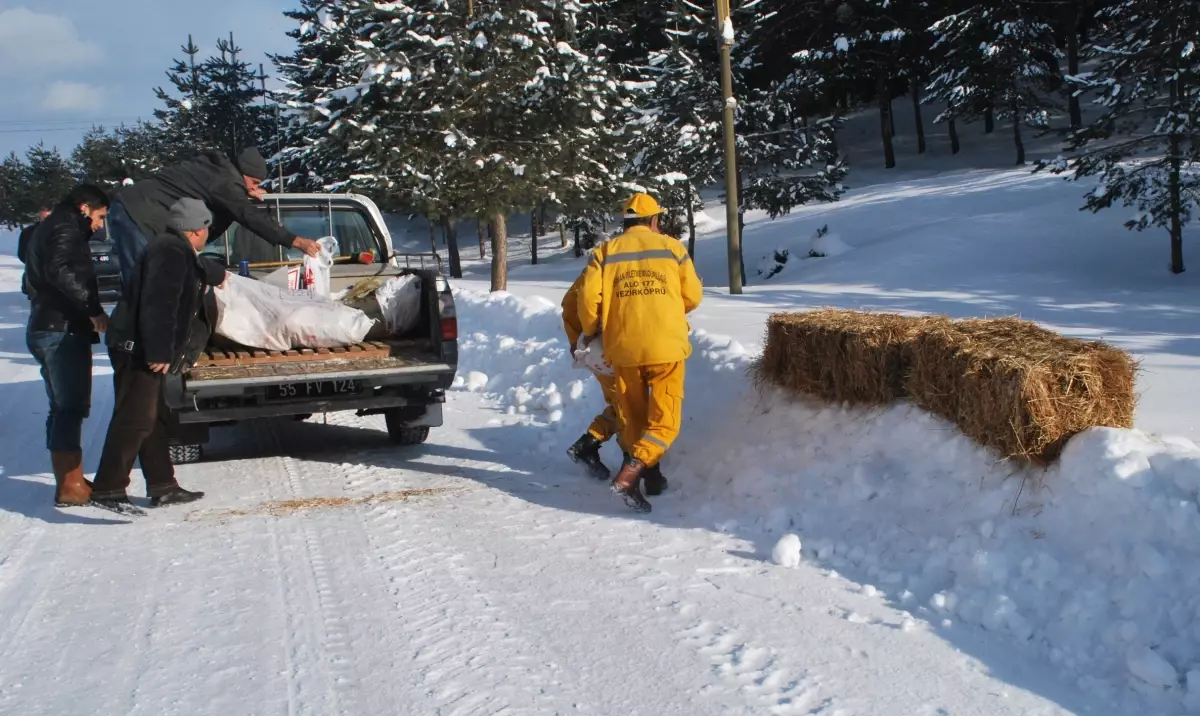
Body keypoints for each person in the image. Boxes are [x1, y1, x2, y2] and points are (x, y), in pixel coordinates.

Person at [89, 199, 226, 514]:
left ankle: (163, 485)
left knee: (154, 417)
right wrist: (160, 350)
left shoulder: (174, 249)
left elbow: (198, 269)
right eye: (207, 228)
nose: (208, 234)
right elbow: (159, 304)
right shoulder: (170, 252)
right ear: (196, 230)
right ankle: (108, 488)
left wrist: (218, 274)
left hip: (141, 345)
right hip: (137, 349)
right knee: (135, 418)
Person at [576, 193, 703, 513]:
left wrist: (590, 331)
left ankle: (653, 476)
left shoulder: (604, 252)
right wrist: (667, 308)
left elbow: (588, 301)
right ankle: (631, 475)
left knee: (632, 417)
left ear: (626, 221)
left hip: (623, 348)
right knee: (664, 421)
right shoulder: (673, 248)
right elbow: (692, 296)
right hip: (665, 346)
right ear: (654, 220)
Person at [106, 146, 321, 290]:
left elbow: (229, 204)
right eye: (254, 182)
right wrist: (295, 241)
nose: (256, 188)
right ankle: (138, 340)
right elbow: (247, 214)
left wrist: (243, 191)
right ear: (243, 174)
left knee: (153, 280)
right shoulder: (225, 181)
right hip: (136, 214)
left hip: (137, 211)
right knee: (144, 283)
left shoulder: (218, 172)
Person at [23, 187, 109, 507]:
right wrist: (92, 308)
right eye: (100, 216)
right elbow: (59, 270)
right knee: (70, 408)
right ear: (85, 207)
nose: (100, 224)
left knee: (61, 408)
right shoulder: (64, 226)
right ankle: (70, 485)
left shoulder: (50, 226)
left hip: (47, 326)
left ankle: (70, 479)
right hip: (61, 329)